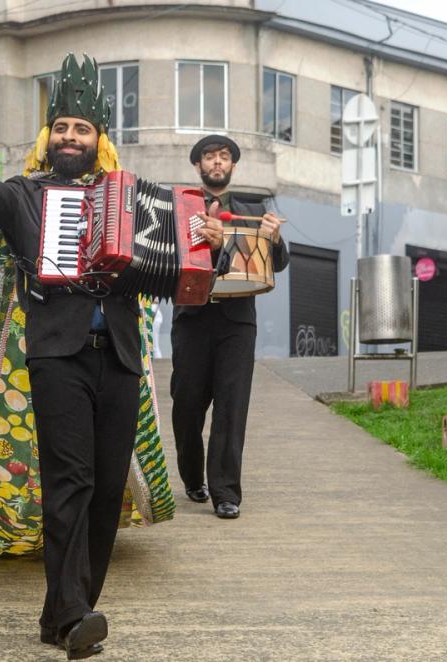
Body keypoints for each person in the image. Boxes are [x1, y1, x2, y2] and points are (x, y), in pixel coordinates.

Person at [0, 53, 223, 659]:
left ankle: (64, 612)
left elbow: (187, 272)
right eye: (61, 127)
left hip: (117, 356)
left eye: (82, 129)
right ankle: (75, 616)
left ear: (99, 140)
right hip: (57, 354)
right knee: (71, 480)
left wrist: (213, 247)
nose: (70, 137)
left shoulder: (138, 200)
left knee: (106, 486)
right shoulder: (25, 197)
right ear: (49, 136)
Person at [170, 135, 289, 520]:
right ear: (198, 165)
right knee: (187, 407)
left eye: (224, 157)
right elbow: (170, 255)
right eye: (209, 157)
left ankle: (226, 492)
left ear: (233, 166)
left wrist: (276, 239)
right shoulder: (179, 207)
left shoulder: (253, 208)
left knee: (231, 407)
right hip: (192, 319)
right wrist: (208, 243)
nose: (217, 162)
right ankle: (192, 476)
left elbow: (278, 262)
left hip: (237, 321)